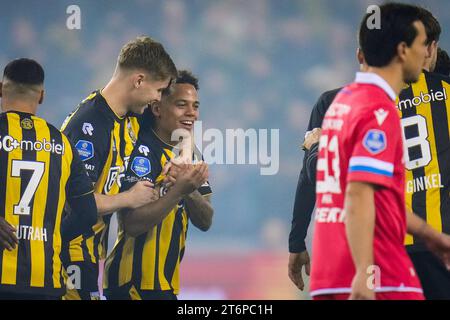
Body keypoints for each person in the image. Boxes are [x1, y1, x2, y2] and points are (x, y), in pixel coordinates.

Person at [310, 3, 450, 300]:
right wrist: (365, 271)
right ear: (403, 50)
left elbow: (379, 197)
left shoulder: (342, 103)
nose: (427, 53)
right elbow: (359, 194)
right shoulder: (379, 110)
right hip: (379, 271)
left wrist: (431, 235)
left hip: (331, 271)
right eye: (423, 44)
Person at [60, 36, 177, 300]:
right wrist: (129, 198)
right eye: (157, 90)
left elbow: (180, 120)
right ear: (138, 81)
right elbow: (74, 202)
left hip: (90, 252)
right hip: (68, 251)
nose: (158, 100)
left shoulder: (129, 117)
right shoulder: (89, 126)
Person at [104, 70, 213, 300]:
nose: (191, 113)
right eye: (181, 104)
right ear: (157, 109)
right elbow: (132, 223)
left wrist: (188, 190)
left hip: (167, 286)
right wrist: (176, 191)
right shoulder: (138, 150)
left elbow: (206, 220)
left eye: (195, 106)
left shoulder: (192, 155)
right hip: (130, 284)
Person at [0, 58, 97, 299]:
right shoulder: (63, 143)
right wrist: (49, 235)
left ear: (1, 89)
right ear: (42, 96)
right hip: (45, 280)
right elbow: (87, 213)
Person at [397, 9, 450, 299]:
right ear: (430, 48)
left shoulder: (372, 98)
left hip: (391, 245)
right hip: (442, 239)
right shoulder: (447, 91)